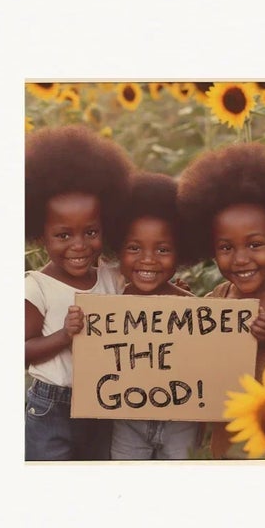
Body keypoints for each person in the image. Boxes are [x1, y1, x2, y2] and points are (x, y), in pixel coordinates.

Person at [23, 125, 131, 460]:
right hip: (50, 409)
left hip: (104, 403)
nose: (80, 245)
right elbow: (22, 350)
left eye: (91, 232)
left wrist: (173, 293)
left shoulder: (111, 279)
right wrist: (64, 335)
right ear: (41, 236)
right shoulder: (36, 287)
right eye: (63, 235)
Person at [178, 142, 265, 457]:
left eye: (254, 245)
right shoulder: (217, 298)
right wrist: (180, 302)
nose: (240, 259)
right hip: (225, 440)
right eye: (226, 248)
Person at [107, 172, 196, 461]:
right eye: (134, 248)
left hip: (181, 420)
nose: (148, 259)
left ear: (181, 253)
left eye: (163, 249)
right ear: (117, 249)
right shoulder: (110, 304)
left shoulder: (191, 306)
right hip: (127, 420)